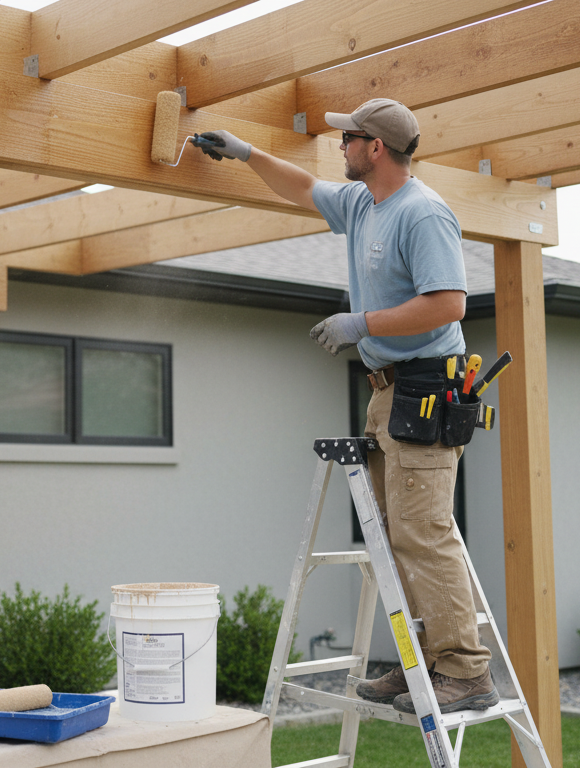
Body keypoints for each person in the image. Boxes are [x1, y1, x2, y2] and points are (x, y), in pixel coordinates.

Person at [196, 98, 497, 715]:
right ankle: (425, 665)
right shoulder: (364, 203)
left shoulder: (422, 212)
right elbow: (303, 187)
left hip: (425, 388)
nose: (340, 146)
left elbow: (449, 303)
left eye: (348, 138)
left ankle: (465, 671)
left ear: (376, 147)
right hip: (388, 392)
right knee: (394, 535)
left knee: (423, 532)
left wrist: (361, 323)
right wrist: (245, 153)